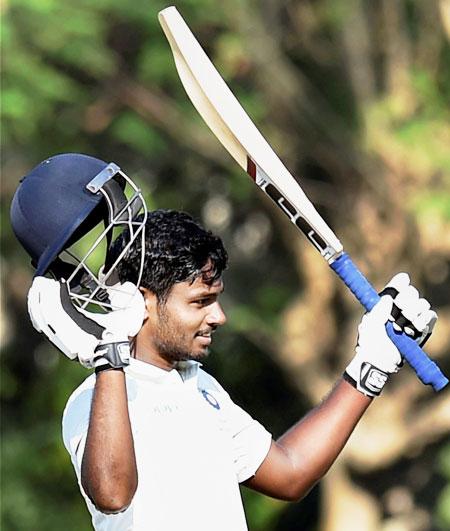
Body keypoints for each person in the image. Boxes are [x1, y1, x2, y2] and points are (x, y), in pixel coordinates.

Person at [12, 155, 437, 531]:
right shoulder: (95, 398)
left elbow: (289, 474)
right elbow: (112, 494)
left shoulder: (200, 387)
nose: (218, 317)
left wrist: (370, 366)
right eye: (201, 302)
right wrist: (107, 357)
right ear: (140, 300)